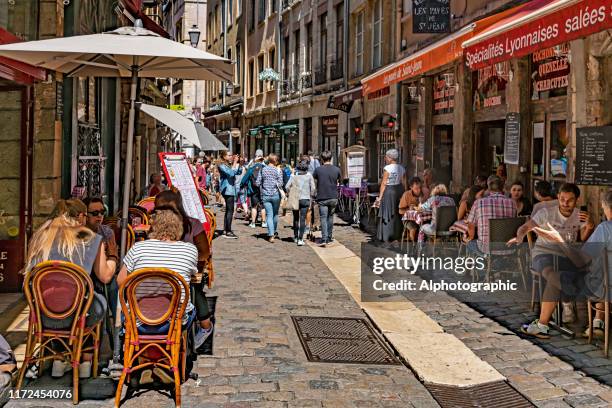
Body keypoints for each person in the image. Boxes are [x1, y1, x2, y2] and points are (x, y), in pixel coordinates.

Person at [24, 199, 116, 378]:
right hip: (77, 314)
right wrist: (112, 258)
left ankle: (59, 358)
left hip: (42, 313)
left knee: (65, 300)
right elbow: (105, 276)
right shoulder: (88, 236)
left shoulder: (40, 236)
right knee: (92, 301)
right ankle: (85, 361)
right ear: (81, 216)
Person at [510, 183, 595, 338]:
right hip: (543, 253)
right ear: (558, 197)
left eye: (570, 200)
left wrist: (589, 226)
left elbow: (583, 239)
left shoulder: (579, 215)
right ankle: (567, 300)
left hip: (566, 254)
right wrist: (519, 236)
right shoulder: (546, 213)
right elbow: (525, 227)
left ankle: (542, 324)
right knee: (551, 273)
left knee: (566, 273)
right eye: (562, 199)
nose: (565, 203)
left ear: (576, 200)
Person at [154, 190, 213, 347]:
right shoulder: (155, 228)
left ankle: (205, 325)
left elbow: (205, 252)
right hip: (161, 274)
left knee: (194, 286)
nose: (159, 213)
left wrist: (186, 260)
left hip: (186, 270)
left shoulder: (193, 224)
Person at [466, 175, 516, 255]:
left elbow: (470, 225)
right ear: (502, 186)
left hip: (486, 248)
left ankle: (482, 263)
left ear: (488, 187)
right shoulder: (512, 203)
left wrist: (470, 237)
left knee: (469, 243)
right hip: (509, 247)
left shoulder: (479, 203)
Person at [375, 149, 405, 242]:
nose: (385, 158)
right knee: (397, 211)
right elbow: (404, 183)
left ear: (390, 158)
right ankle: (396, 234)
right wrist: (405, 194)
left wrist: (380, 198)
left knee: (387, 211)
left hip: (389, 191)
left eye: (386, 157)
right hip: (399, 190)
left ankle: (386, 235)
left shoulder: (387, 169)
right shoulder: (402, 168)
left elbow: (384, 183)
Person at [313, 151, 341, 247]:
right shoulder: (336, 169)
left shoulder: (318, 170)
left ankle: (324, 238)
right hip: (333, 196)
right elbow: (339, 181)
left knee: (323, 218)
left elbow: (315, 180)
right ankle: (329, 237)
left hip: (322, 197)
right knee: (330, 217)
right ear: (331, 158)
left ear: (321, 159)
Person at [285, 159, 316, 246]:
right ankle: (300, 239)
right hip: (305, 199)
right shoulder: (309, 175)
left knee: (295, 218)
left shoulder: (293, 175)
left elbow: (287, 186)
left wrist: (289, 193)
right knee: (303, 219)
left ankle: (295, 237)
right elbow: (313, 188)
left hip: (295, 199)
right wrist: (311, 196)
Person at [256, 153, 284, 242]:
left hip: (266, 195)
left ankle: (271, 234)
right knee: (275, 214)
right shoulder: (278, 170)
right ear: (275, 161)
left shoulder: (263, 170)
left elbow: (257, 182)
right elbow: (280, 184)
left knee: (269, 215)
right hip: (275, 195)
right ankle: (274, 231)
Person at [217, 150, 242, 239]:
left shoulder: (228, 164)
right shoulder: (221, 165)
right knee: (230, 210)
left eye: (231, 155)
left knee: (228, 210)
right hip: (227, 190)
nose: (231, 156)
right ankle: (228, 231)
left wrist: (239, 164)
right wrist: (235, 162)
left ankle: (225, 230)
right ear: (224, 156)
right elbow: (231, 173)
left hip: (231, 189)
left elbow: (238, 172)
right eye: (229, 155)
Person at [242, 150, 267, 228]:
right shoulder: (265, 168)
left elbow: (244, 179)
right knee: (262, 206)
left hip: (253, 189)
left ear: (256, 157)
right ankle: (263, 222)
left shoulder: (251, 168)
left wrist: (243, 185)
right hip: (263, 189)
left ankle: (253, 223)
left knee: (254, 206)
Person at [398, 177, 426, 242]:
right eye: (416, 189)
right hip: (408, 219)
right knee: (413, 228)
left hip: (421, 218)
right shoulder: (406, 195)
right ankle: (413, 246)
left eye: (420, 188)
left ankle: (422, 245)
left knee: (426, 226)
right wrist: (409, 209)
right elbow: (400, 211)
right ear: (411, 187)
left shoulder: (423, 194)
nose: (418, 190)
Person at [234, 155, 249, 220]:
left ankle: (233, 215)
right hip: (242, 186)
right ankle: (246, 212)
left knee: (235, 201)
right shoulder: (244, 168)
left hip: (235, 186)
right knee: (243, 202)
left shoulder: (235, 166)